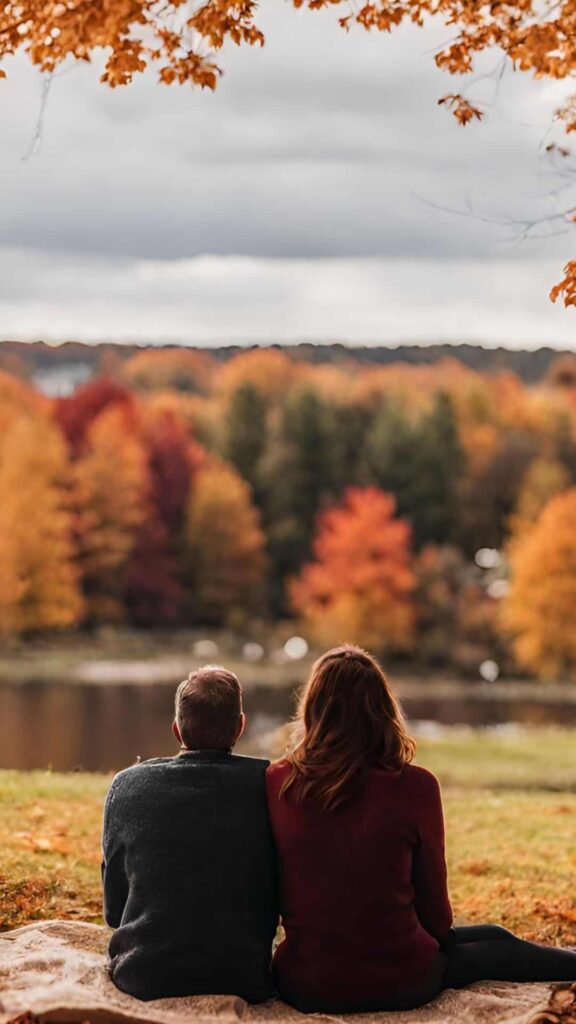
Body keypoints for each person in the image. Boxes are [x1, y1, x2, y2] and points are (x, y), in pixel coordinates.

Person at [266, 644, 576, 1013]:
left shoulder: (277, 781)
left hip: (304, 983)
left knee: (495, 935)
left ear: (313, 710)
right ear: (382, 711)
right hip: (402, 981)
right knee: (499, 949)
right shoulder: (414, 787)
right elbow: (439, 920)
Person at [101, 665, 278, 1002]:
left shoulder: (125, 785)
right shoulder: (270, 785)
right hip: (243, 977)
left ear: (176, 729)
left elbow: (114, 911)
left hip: (143, 976)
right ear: (240, 726)